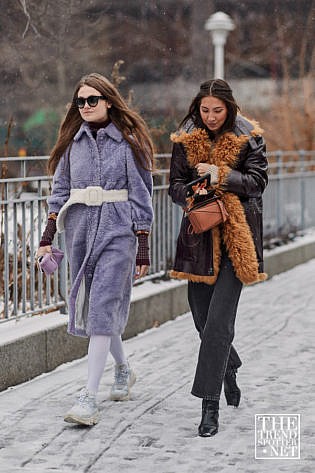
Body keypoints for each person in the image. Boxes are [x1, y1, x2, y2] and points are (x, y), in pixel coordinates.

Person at [36, 73, 154, 426]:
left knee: (102, 304)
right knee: (96, 305)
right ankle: (123, 368)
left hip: (119, 232)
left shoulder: (129, 142)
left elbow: (141, 194)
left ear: (108, 101)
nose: (85, 106)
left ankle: (88, 396)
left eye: (92, 100)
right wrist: (47, 235)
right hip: (80, 231)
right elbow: (59, 191)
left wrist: (143, 243)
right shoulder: (74, 144)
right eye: (80, 101)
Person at [168, 78, 268, 437]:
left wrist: (222, 175)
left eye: (217, 110)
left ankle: (209, 405)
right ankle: (229, 367)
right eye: (204, 110)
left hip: (236, 241)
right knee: (201, 320)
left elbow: (258, 181)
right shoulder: (185, 139)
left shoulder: (248, 136)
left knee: (217, 325)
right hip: (199, 240)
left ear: (229, 108)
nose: (210, 117)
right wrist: (194, 190)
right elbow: (173, 186)